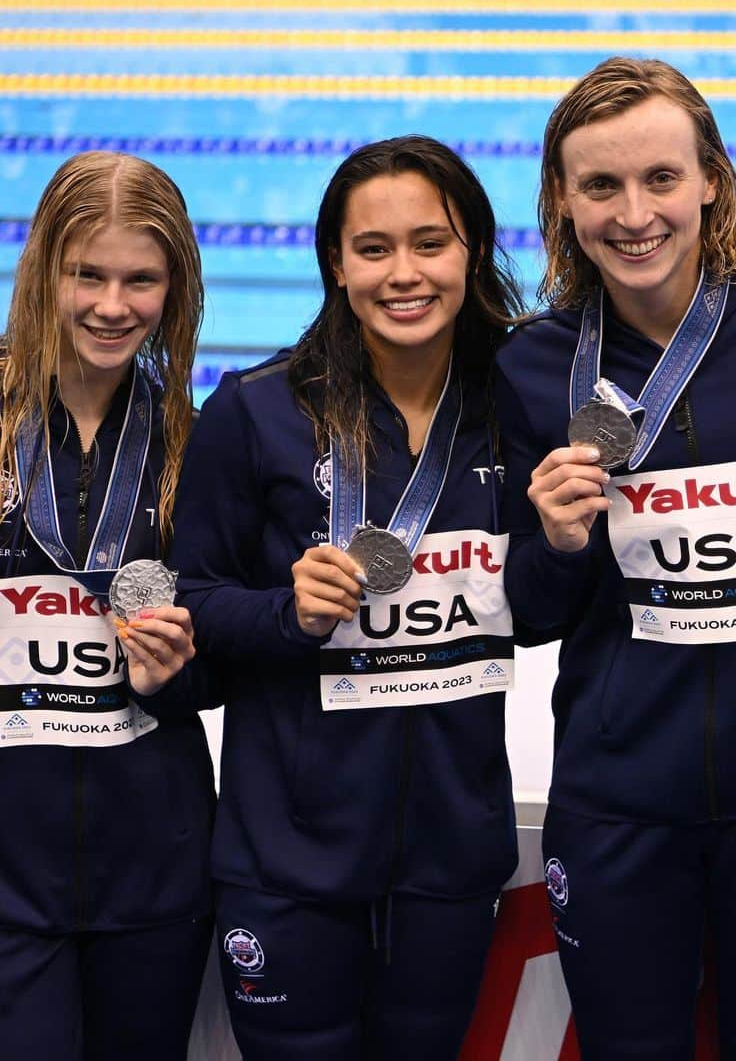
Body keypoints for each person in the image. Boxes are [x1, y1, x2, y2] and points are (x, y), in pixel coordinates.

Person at [496, 56, 736, 1059]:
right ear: (560, 200)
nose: (635, 214)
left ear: (710, 177)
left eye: (661, 178)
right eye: (601, 186)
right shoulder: (534, 366)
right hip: (622, 803)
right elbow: (533, 612)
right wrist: (555, 539)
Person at [171, 135, 525, 1060]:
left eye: (430, 243)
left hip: (451, 851)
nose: (402, 274)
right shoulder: (254, 410)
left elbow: (551, 602)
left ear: (473, 253)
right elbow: (191, 599)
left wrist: (565, 545)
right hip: (287, 859)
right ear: (336, 262)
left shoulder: (511, 406)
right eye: (374, 249)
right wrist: (284, 613)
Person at [0, 151, 213, 1059]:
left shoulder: (195, 444)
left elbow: (223, 656)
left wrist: (180, 671)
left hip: (152, 866)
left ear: (178, 289)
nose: (111, 305)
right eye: (87, 274)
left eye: (141, 280)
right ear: (46, 268)